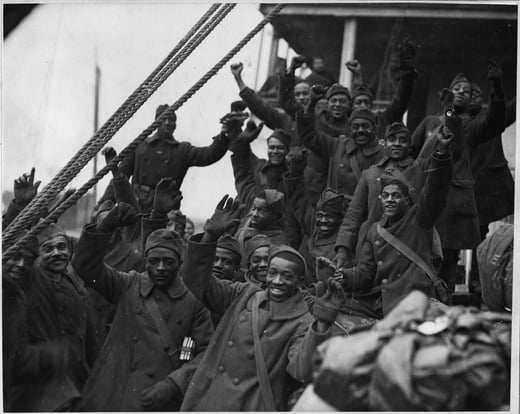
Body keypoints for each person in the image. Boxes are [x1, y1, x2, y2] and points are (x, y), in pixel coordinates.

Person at [180, 195, 345, 411]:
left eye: (287, 276)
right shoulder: (244, 294)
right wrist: (210, 237)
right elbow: (197, 284)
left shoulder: (302, 320)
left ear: (299, 282)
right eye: (273, 273)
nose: (277, 281)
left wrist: (322, 322)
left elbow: (301, 369)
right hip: (210, 399)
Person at [71, 178, 214, 411]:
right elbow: (86, 267)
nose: (160, 268)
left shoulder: (192, 304)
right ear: (145, 261)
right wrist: (104, 228)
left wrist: (175, 383)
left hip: (154, 397)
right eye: (154, 261)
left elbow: (206, 351)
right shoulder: (128, 284)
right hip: (109, 392)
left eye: (168, 262)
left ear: (179, 263)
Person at [410, 61, 506, 294]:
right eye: (458, 88)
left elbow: (494, 123)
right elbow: (412, 153)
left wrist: (496, 88)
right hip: (427, 197)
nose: (463, 91)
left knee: (448, 265)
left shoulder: (470, 126)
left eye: (467, 90)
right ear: (449, 92)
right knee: (421, 258)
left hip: (453, 203)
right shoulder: (430, 122)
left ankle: (445, 308)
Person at [339, 126, 454, 318]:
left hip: (417, 305)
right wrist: (344, 276)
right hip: (388, 304)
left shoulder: (419, 220)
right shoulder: (375, 231)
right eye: (385, 195)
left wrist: (442, 153)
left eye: (396, 196)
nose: (390, 200)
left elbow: (435, 192)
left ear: (407, 200)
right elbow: (367, 273)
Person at [98, 104, 235, 213]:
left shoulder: (182, 150)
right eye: (164, 119)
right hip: (137, 209)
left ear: (175, 124)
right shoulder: (139, 146)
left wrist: (223, 134)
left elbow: (209, 155)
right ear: (156, 122)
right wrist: (103, 205)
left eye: (172, 119)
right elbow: (120, 177)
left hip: (166, 214)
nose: (168, 123)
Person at [334, 122, 432, 267]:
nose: (397, 144)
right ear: (383, 143)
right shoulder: (370, 174)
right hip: (372, 247)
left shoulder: (420, 171)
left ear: (410, 145)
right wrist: (343, 250)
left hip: (408, 246)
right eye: (392, 140)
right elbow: (353, 215)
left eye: (403, 140)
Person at [297, 102, 384, 207]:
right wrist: (311, 104)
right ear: (350, 129)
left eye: (365, 126)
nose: (360, 130)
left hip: (363, 214)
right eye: (355, 127)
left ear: (374, 128)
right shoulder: (338, 145)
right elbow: (308, 136)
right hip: (334, 211)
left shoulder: (382, 153)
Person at [283, 148, 346, 286]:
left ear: (340, 219)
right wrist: (295, 172)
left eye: (329, 217)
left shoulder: (343, 242)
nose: (323, 221)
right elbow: (298, 199)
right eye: (320, 216)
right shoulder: (314, 226)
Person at [347, 38, 417, 140]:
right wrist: (357, 75)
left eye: (366, 102)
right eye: (358, 102)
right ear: (351, 105)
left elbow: (400, 101)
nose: (363, 106)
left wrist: (407, 72)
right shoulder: (345, 122)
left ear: (371, 105)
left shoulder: (382, 119)